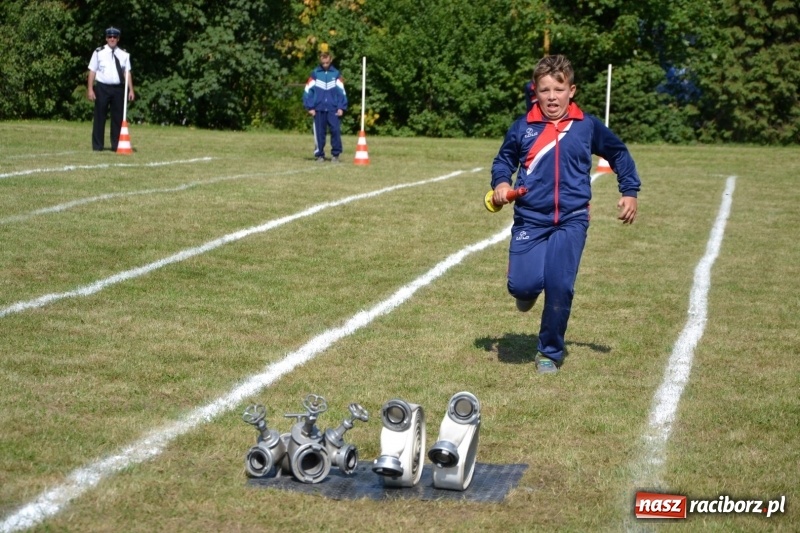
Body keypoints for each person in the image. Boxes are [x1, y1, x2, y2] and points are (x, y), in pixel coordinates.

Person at [490, 54, 640, 374]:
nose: (552, 97)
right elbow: (503, 161)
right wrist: (502, 183)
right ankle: (526, 289)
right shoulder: (523, 127)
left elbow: (617, 153)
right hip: (531, 218)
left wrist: (629, 191)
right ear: (536, 91)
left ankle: (549, 352)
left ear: (571, 90)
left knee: (560, 284)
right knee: (522, 287)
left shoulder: (586, 126)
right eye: (545, 90)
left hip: (572, 218)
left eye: (558, 90)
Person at [87, 26, 135, 152]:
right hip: (102, 87)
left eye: (114, 37)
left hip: (118, 89)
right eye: (110, 37)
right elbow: (92, 71)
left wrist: (131, 90)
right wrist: (90, 89)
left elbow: (127, 73)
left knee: (117, 118)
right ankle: (97, 146)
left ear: (118, 39)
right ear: (106, 38)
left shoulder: (124, 54)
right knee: (99, 116)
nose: (112, 39)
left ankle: (116, 145)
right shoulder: (98, 52)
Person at [303, 48, 348, 163]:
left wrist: (341, 107)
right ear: (320, 61)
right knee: (319, 132)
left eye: (327, 62)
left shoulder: (336, 74)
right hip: (318, 109)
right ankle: (320, 155)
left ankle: (335, 154)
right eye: (323, 63)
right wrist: (310, 107)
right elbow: (308, 91)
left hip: (333, 109)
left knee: (335, 131)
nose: (325, 65)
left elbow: (341, 92)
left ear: (331, 60)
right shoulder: (315, 74)